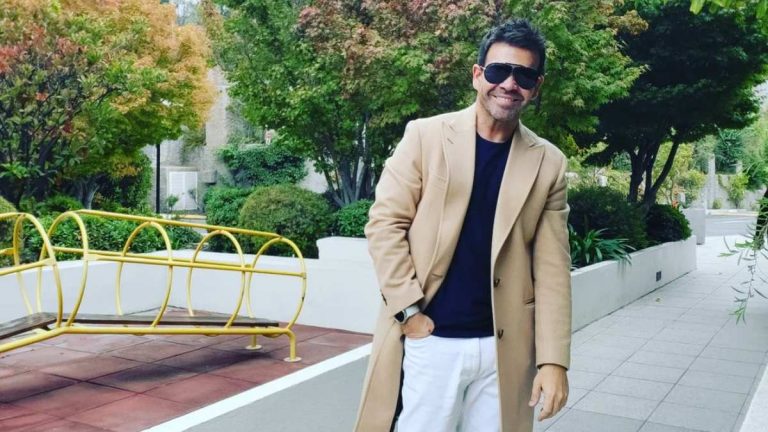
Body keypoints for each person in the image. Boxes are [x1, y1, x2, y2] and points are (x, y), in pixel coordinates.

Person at [354, 18, 571, 432]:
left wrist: (554, 361)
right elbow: (385, 225)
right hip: (432, 338)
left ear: (536, 87)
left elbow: (552, 269)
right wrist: (410, 314)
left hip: (505, 350)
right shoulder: (425, 136)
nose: (510, 84)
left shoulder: (549, 163)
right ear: (477, 75)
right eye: (498, 71)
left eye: (524, 76)